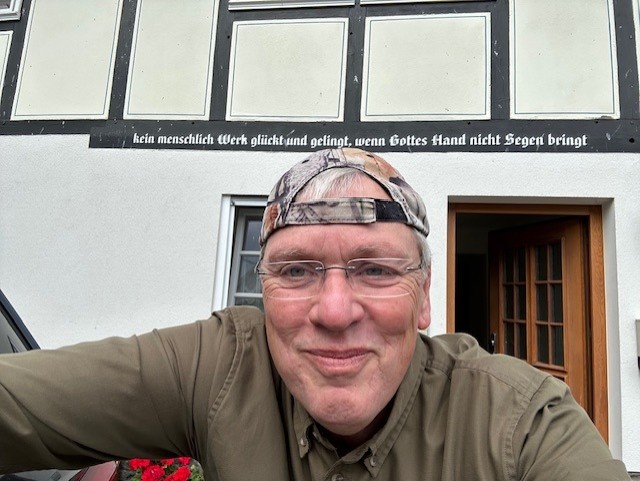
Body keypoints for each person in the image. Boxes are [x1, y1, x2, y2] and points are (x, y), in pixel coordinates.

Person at [0, 148, 631, 480]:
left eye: (375, 270)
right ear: (262, 291)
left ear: (424, 297)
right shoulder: (219, 367)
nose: (332, 311)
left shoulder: (519, 420)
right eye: (296, 271)